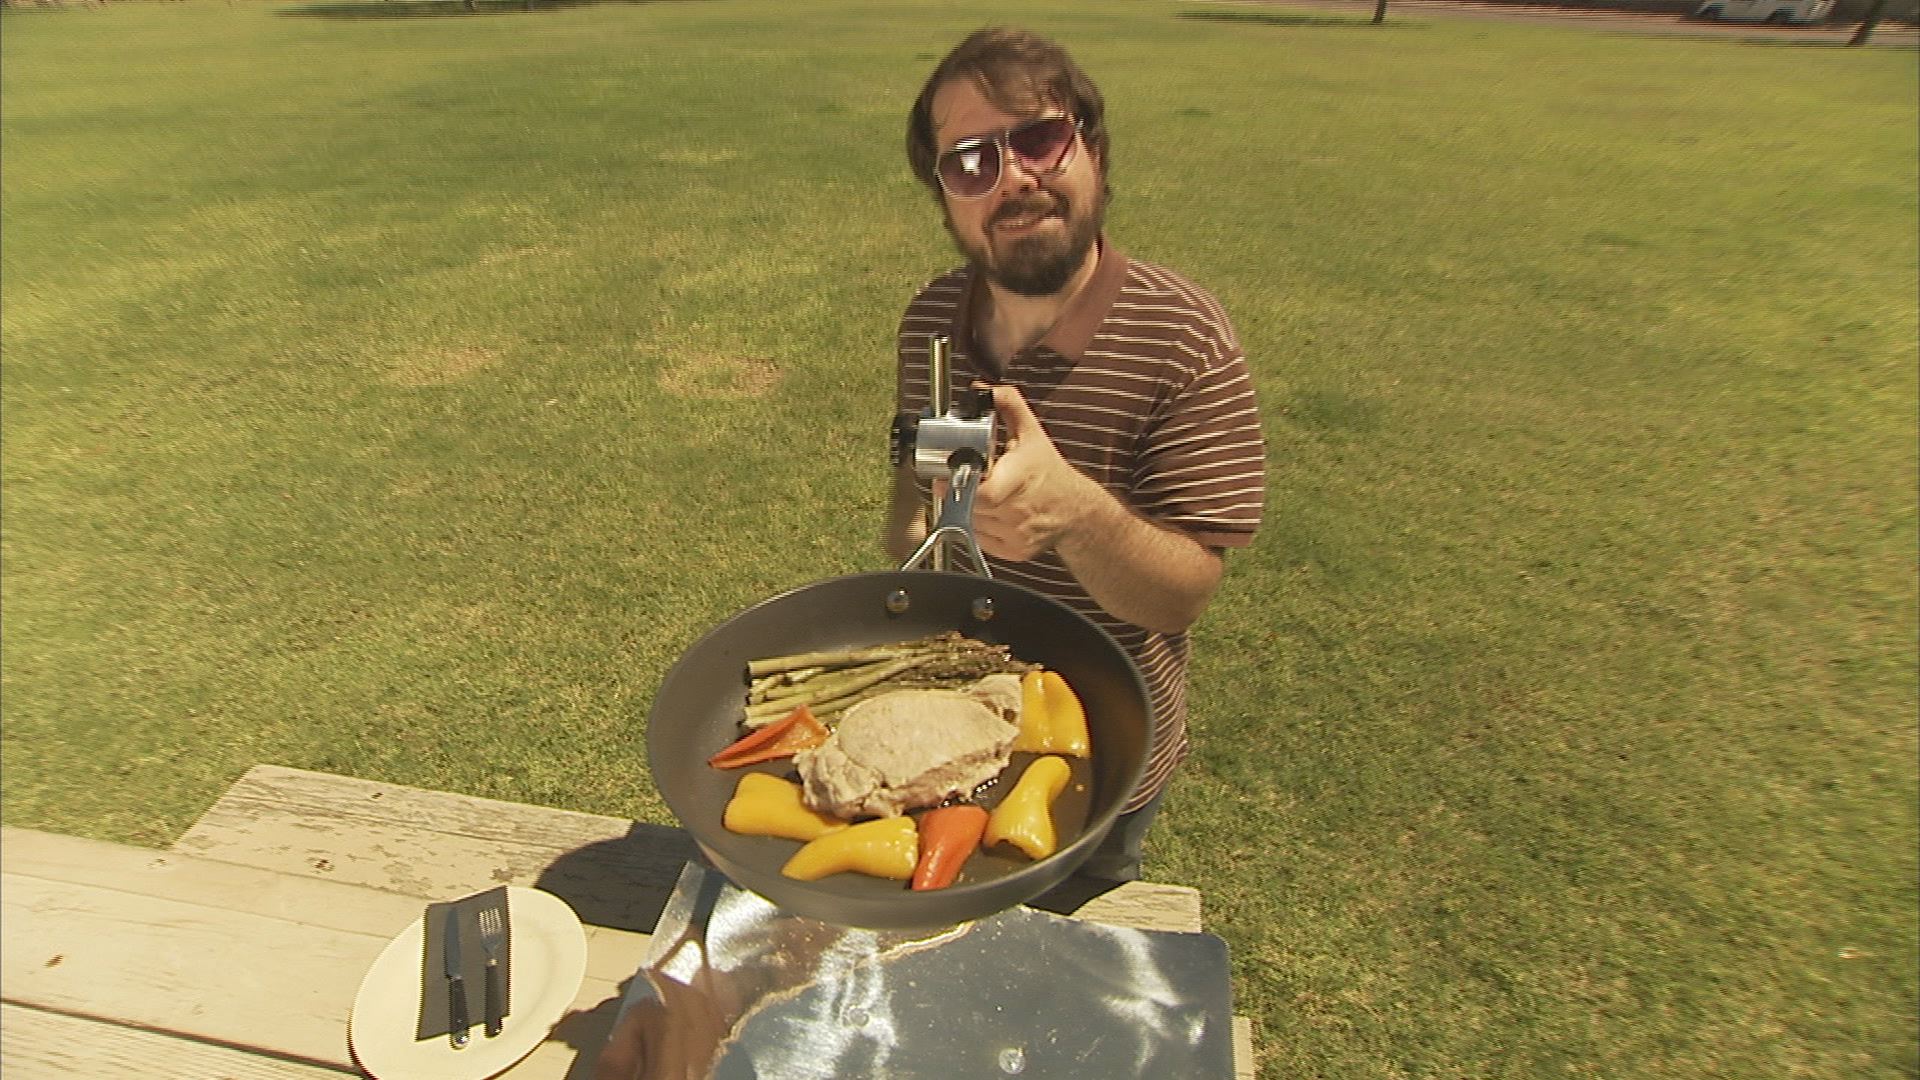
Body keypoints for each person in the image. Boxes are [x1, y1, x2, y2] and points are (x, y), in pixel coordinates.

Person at [886, 28, 1267, 884]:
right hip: (951, 728)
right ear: (945, 198)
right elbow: (905, 507)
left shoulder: (1185, 339)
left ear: (1090, 149)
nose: (1013, 177)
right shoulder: (931, 322)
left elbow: (1183, 593)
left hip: (1098, 751)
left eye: (1038, 139)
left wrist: (1075, 514)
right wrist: (931, 513)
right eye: (969, 162)